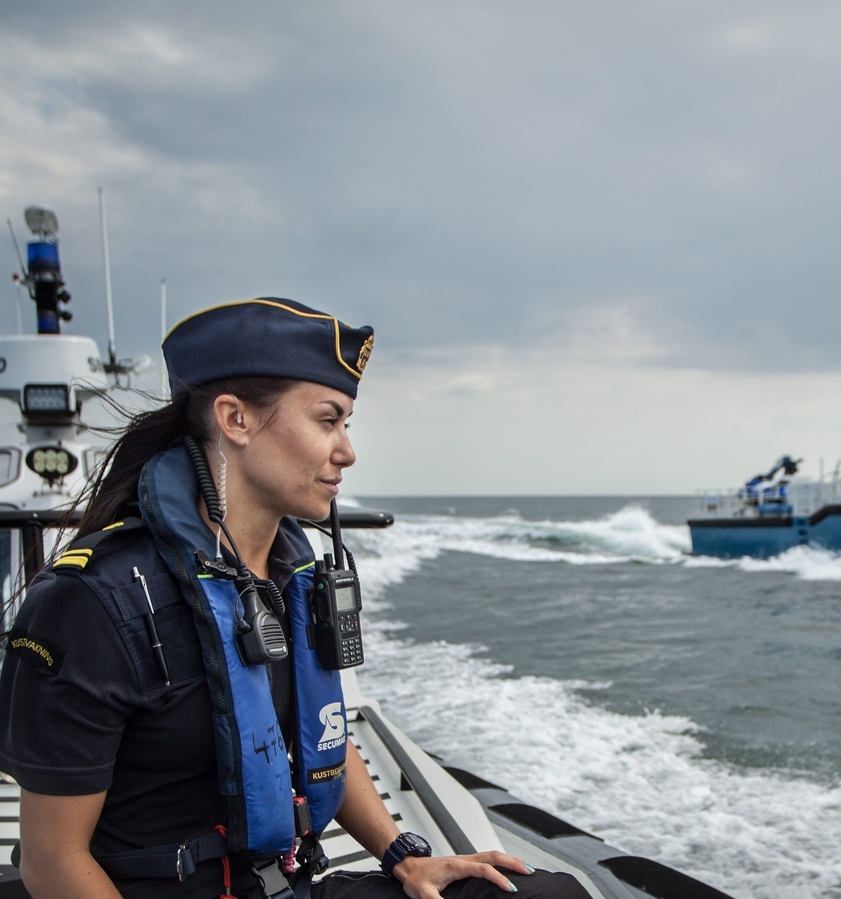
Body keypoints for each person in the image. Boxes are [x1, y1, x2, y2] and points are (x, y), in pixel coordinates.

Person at [0, 299, 590, 899]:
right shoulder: (95, 604)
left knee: (547, 894)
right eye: (327, 420)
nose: (347, 451)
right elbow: (51, 863)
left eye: (347, 425)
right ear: (235, 420)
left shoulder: (291, 573)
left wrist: (405, 857)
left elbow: (321, 733)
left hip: (282, 887)